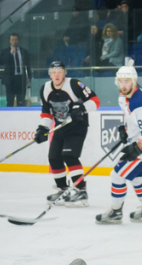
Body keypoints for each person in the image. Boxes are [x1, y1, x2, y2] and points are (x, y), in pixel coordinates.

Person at [95, 67, 142, 225]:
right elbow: (131, 118)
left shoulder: (138, 104)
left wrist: (137, 147)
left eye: (127, 81)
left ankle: (116, 213)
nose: (123, 85)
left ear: (135, 82)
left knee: (117, 175)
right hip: (141, 143)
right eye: (121, 81)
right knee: (136, 178)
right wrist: (126, 130)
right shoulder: (123, 96)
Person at [34, 61, 101, 206]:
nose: (57, 74)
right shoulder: (45, 89)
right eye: (54, 71)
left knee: (69, 156)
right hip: (60, 127)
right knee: (54, 157)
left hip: (77, 126)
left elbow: (96, 101)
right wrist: (42, 128)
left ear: (65, 73)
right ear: (50, 74)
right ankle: (62, 189)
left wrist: (82, 108)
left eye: (60, 71)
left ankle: (81, 190)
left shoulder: (74, 85)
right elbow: (46, 113)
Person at [0, 33, 30, 107]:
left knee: (21, 101)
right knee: (10, 101)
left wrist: (29, 76)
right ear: (10, 41)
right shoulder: (5, 51)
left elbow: (28, 65)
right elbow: (1, 62)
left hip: (21, 78)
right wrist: (10, 54)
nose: (14, 41)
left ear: (18, 41)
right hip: (10, 79)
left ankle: (21, 117)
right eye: (13, 40)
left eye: (16, 40)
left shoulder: (23, 51)